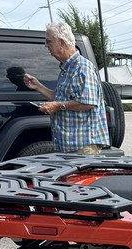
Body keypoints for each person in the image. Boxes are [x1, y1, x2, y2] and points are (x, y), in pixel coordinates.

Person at [23, 21, 109, 154]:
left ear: (61, 43)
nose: (46, 45)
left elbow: (88, 102)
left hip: (83, 147)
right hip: (69, 146)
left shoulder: (83, 67)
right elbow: (60, 98)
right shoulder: (67, 68)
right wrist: (38, 86)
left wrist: (57, 106)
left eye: (48, 41)